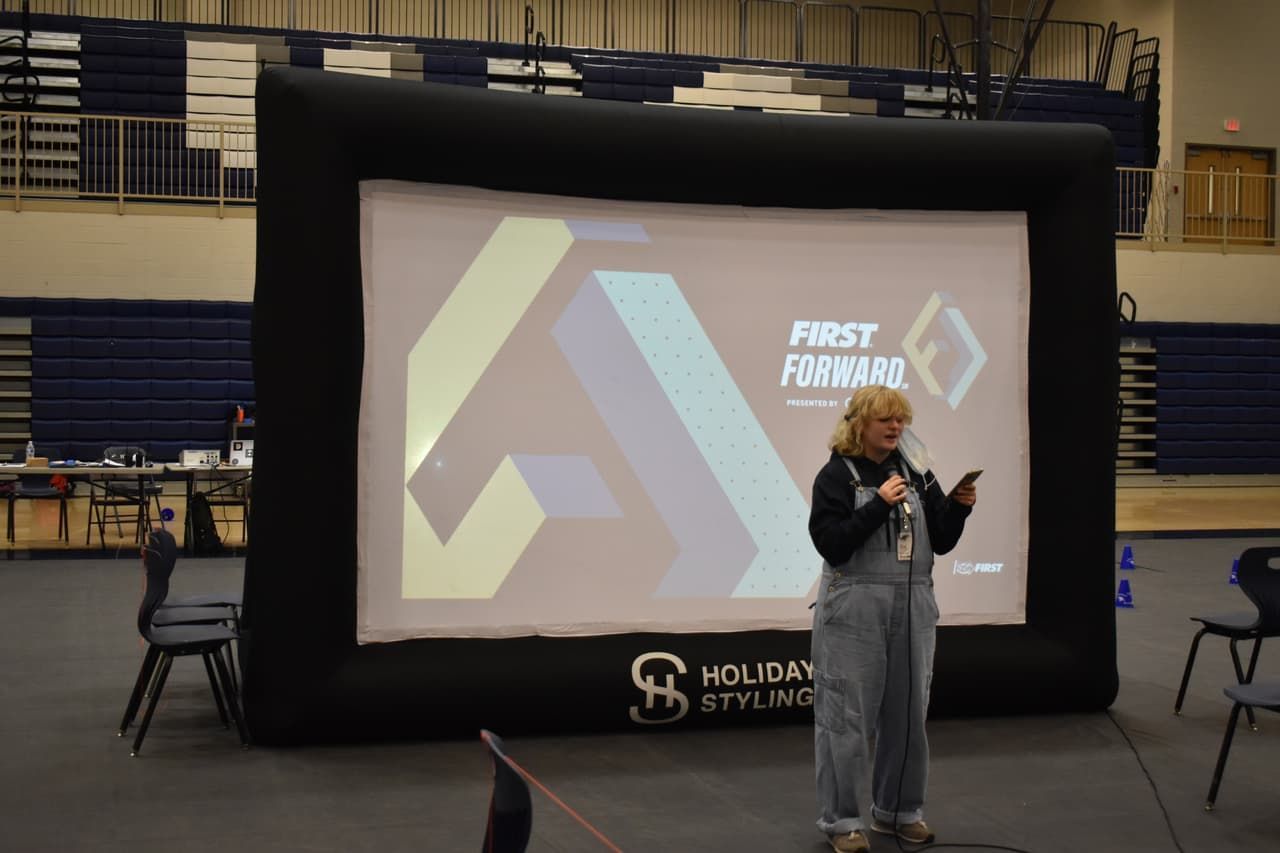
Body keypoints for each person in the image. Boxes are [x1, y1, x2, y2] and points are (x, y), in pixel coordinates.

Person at [808, 385, 977, 853]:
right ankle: (843, 823)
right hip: (854, 605)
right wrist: (879, 504)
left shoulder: (918, 473)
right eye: (885, 420)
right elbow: (832, 544)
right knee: (845, 719)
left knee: (908, 714)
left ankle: (900, 812)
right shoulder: (835, 476)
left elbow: (940, 540)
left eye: (900, 420)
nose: (895, 428)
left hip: (913, 601)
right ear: (858, 423)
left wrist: (959, 508)